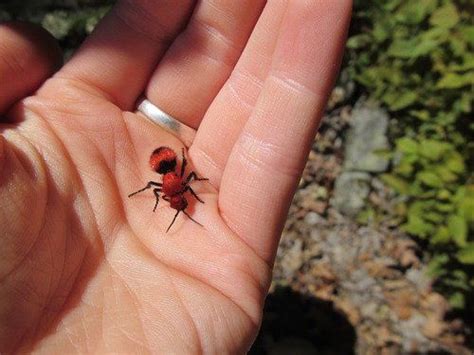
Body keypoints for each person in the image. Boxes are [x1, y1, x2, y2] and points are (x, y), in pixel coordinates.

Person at [0, 1, 352, 353]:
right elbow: (177, 185)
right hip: (164, 160)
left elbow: (179, 185)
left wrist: (181, 178)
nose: (181, 202)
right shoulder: (174, 187)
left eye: (177, 201)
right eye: (179, 201)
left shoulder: (175, 188)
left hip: (164, 160)